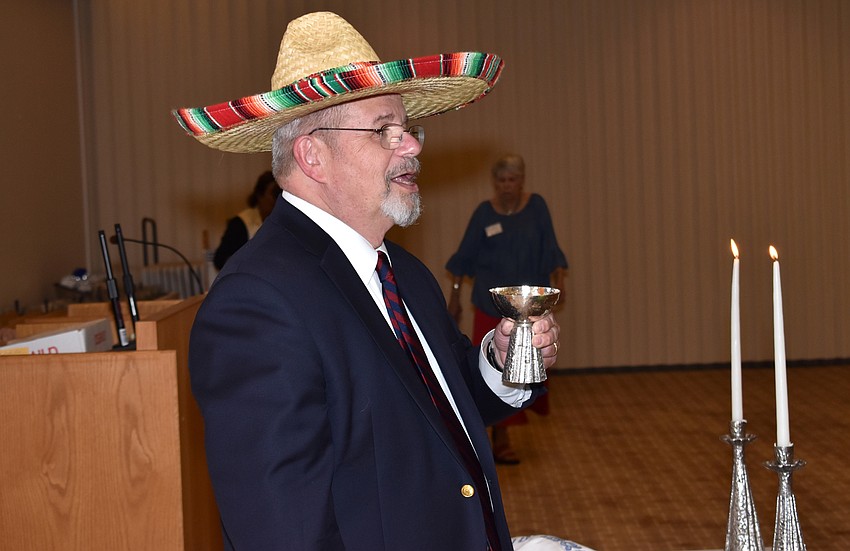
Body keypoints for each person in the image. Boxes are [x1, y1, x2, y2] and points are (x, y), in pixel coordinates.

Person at [173, 12, 560, 551]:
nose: (413, 147)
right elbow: (285, 533)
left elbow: (446, 415)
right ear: (313, 155)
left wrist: (499, 358)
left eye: (409, 130)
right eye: (384, 131)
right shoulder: (255, 303)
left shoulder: (403, 272)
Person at [446, 154, 568, 465]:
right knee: (497, 366)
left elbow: (551, 247)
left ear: (521, 180)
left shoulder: (536, 207)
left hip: (530, 306)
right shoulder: (484, 213)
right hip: (493, 305)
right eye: (501, 181)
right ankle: (499, 437)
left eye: (512, 180)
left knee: (529, 366)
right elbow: (464, 256)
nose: (506, 186)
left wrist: (559, 281)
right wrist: (455, 297)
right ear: (494, 183)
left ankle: (505, 429)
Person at [212, 170, 278, 270]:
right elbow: (220, 260)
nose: (277, 199)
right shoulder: (240, 224)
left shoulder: (282, 222)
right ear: (259, 196)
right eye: (274, 194)